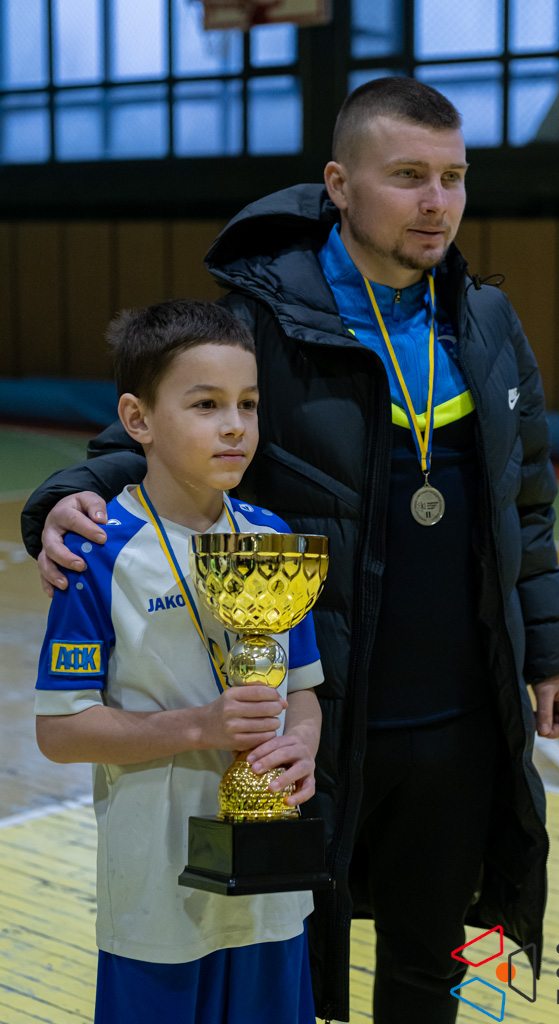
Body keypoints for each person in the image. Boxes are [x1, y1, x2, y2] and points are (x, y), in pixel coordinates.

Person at [23, 79, 559, 1024]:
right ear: (338, 183)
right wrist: (59, 500)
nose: (436, 202)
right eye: (407, 176)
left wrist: (551, 648)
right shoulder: (267, 318)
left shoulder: (485, 321)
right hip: (322, 710)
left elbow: (524, 503)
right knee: (291, 956)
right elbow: (156, 431)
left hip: (460, 715)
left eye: (452, 177)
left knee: (435, 954)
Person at [33, 299, 324, 1024]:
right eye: (205, 404)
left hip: (269, 883)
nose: (234, 426)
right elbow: (60, 732)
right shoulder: (96, 551)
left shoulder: (273, 539)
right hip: (156, 891)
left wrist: (300, 747)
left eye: (248, 404)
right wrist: (200, 727)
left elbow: (304, 692)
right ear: (137, 419)